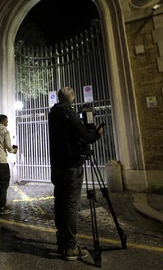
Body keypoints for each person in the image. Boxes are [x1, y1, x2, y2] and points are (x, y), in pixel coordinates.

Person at [48, 87, 104, 261]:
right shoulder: (68, 114)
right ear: (71, 98)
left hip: (57, 165)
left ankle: (62, 242)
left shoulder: (53, 114)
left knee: (60, 202)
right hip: (71, 165)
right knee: (71, 205)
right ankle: (71, 247)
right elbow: (84, 136)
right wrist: (96, 134)